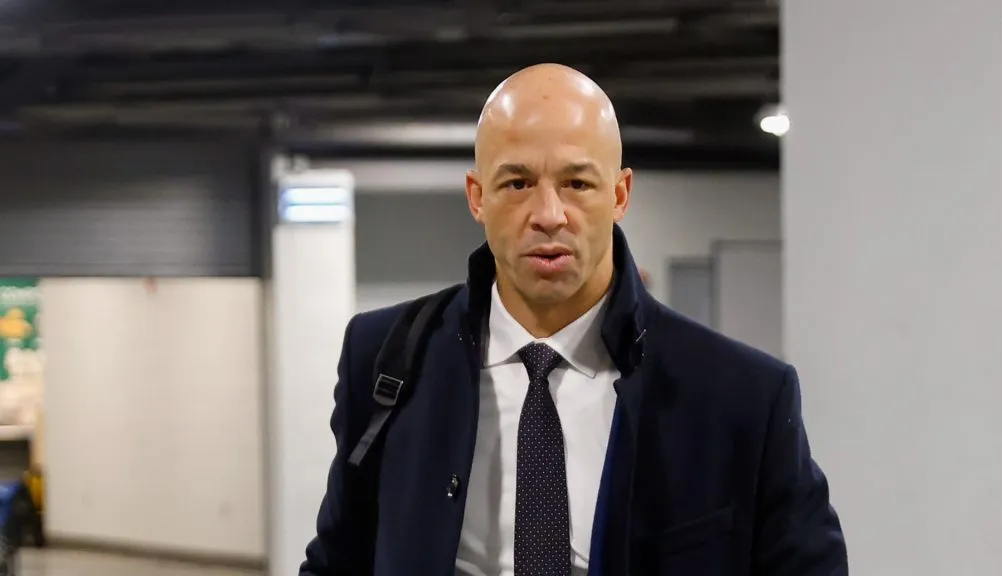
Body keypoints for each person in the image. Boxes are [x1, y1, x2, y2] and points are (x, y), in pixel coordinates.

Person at [299, 63, 847, 576]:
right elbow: (337, 562)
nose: (548, 215)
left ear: (619, 193)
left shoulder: (742, 397)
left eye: (577, 184)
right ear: (477, 196)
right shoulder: (387, 360)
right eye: (517, 184)